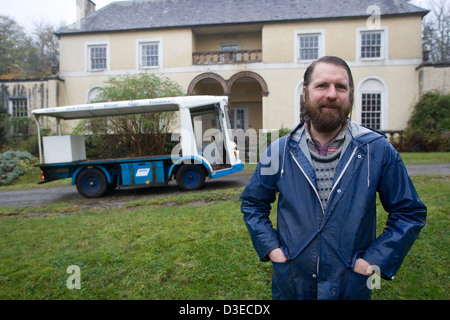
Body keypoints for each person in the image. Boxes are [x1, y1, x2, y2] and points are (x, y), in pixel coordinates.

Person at [240, 56, 427, 300]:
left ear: (350, 95)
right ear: (305, 94)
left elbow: (408, 213)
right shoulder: (278, 151)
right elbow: (253, 203)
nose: (331, 94)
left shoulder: (378, 150)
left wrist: (373, 261)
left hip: (350, 284)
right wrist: (274, 250)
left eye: (341, 87)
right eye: (322, 85)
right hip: (293, 284)